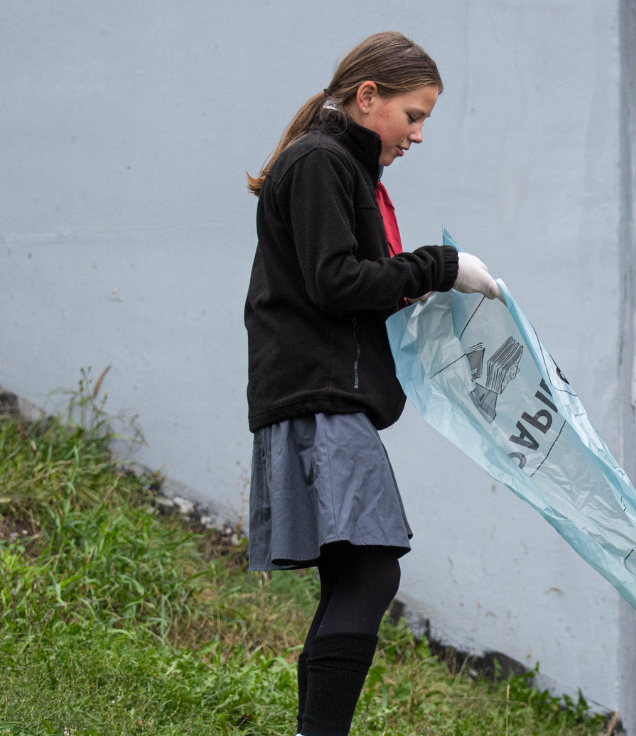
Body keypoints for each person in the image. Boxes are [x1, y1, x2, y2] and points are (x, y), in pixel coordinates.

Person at [243, 31, 499, 736]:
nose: (417, 134)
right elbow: (336, 280)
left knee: (354, 574)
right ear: (367, 97)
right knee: (371, 571)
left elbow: (351, 281)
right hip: (319, 396)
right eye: (413, 115)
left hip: (320, 394)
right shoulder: (322, 162)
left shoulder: (335, 165)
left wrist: (421, 285)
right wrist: (439, 266)